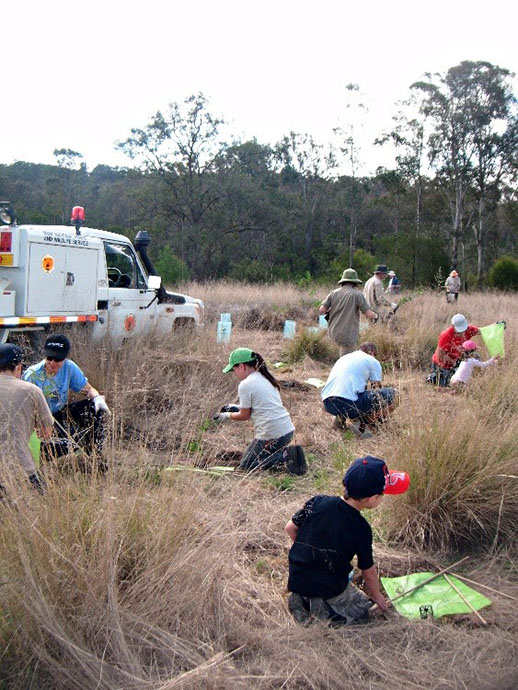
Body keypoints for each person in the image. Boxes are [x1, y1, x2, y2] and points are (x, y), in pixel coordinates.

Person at [286, 455, 410, 625]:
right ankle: (324, 609)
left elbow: (290, 528)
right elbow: (367, 570)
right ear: (372, 499)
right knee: (363, 609)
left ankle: (302, 601)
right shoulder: (361, 527)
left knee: (336, 578)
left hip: (297, 580)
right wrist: (377, 596)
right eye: (382, 495)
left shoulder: (318, 502)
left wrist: (308, 553)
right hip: (329, 588)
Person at [22, 334, 110, 469]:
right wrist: (42, 425)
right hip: (38, 420)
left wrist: (97, 398)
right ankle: (44, 456)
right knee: (62, 443)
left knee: (93, 408)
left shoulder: (69, 367)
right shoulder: (32, 375)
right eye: (49, 358)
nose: (52, 363)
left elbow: (88, 388)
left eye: (57, 359)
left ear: (65, 358)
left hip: (58, 413)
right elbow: (25, 410)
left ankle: (96, 455)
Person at [217, 348, 306, 475]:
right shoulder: (265, 378)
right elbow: (258, 406)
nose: (234, 373)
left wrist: (226, 415)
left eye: (234, 369)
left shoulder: (245, 384)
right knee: (252, 459)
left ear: (242, 366)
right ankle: (285, 453)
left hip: (271, 435)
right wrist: (233, 406)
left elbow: (244, 415)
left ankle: (286, 457)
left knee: (247, 465)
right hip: (286, 431)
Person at [0, 343, 54, 494]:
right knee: (42, 501)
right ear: (18, 367)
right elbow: (45, 434)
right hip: (20, 468)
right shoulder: (31, 390)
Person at [321, 342, 396, 438]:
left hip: (328, 403)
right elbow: (377, 390)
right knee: (394, 394)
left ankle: (339, 422)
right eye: (375, 354)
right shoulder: (372, 361)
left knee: (350, 394)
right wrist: (379, 414)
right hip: (348, 404)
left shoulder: (344, 358)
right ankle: (370, 423)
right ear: (372, 352)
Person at [319, 268, 377, 357]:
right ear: (355, 282)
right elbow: (369, 314)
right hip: (348, 334)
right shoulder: (357, 295)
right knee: (347, 360)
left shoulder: (333, 293)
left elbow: (321, 310)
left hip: (333, 331)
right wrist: (376, 316)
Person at [428, 314, 479, 387]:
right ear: (453, 326)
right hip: (442, 364)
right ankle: (433, 378)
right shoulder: (445, 335)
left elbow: (482, 331)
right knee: (448, 384)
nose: (461, 333)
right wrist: (454, 364)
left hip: (456, 360)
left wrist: (497, 326)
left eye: (463, 330)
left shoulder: (469, 330)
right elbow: (440, 356)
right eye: (459, 331)